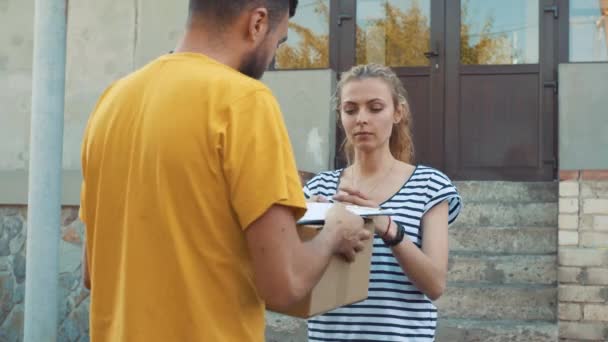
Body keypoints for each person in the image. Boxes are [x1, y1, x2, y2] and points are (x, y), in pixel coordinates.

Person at [79, 1, 372, 341]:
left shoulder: (112, 101)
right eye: (278, 43)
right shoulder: (245, 101)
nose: (272, 57)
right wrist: (334, 230)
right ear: (258, 22)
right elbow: (284, 285)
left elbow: (92, 272)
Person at [304, 64, 462, 341]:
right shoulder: (320, 188)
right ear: (340, 116)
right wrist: (309, 228)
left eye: (375, 108)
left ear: (397, 112)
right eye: (350, 109)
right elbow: (295, 280)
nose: (361, 119)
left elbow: (435, 284)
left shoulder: (430, 186)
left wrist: (385, 224)